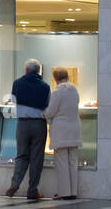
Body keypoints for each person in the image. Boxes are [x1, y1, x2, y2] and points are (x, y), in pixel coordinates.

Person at [6, 59, 51, 200]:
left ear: (26, 70)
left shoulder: (17, 83)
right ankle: (32, 190)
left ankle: (15, 183)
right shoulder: (45, 86)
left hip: (22, 124)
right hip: (39, 124)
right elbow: (48, 105)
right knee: (36, 158)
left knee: (21, 155)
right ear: (38, 71)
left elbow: (13, 101)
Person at [43, 66, 81, 200]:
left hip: (61, 130)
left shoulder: (57, 91)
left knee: (62, 162)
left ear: (55, 78)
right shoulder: (74, 90)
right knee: (72, 161)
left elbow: (51, 111)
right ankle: (73, 191)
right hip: (74, 129)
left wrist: (43, 114)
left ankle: (65, 192)